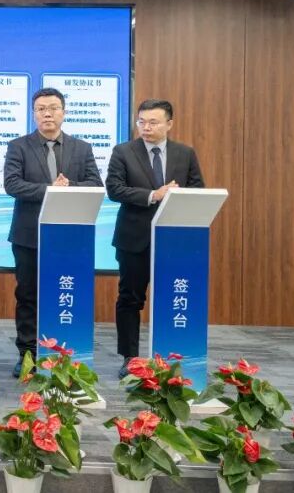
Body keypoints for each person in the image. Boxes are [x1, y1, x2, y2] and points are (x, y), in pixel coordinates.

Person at [3, 87, 102, 377]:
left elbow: (95, 184)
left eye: (53, 108)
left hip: (68, 236)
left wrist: (68, 188)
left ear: (63, 112)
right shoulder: (18, 146)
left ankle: (64, 353)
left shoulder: (81, 148)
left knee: (64, 291)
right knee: (28, 295)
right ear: (34, 114)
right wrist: (50, 189)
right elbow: (12, 184)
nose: (48, 113)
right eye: (41, 109)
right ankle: (28, 353)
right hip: (28, 235)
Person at [106, 99, 204, 378]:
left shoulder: (185, 153)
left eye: (153, 122)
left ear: (169, 124)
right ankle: (130, 357)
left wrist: (176, 196)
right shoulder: (123, 151)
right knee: (130, 298)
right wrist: (153, 195)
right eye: (141, 122)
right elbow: (114, 189)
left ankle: (171, 357)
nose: (146, 128)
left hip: (173, 240)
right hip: (134, 238)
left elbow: (198, 189)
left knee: (173, 296)